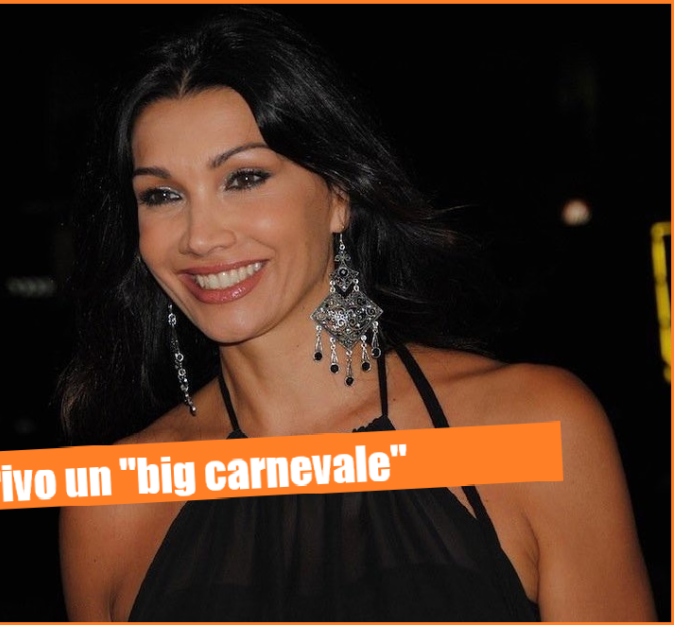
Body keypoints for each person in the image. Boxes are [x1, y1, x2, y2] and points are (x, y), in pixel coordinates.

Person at [56, 6, 655, 622]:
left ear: (340, 194)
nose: (201, 236)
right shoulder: (112, 507)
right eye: (162, 195)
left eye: (245, 178)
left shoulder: (535, 427)